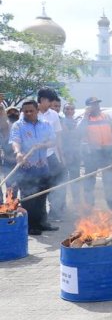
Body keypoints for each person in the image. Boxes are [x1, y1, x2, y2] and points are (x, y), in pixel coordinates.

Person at [10, 100, 57, 234]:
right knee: (29, 198)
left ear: (37, 111)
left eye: (31, 111)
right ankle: (31, 225)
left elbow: (53, 140)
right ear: (22, 112)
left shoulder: (46, 124)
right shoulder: (18, 126)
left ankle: (42, 222)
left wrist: (42, 145)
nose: (29, 113)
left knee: (42, 196)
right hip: (26, 168)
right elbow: (15, 141)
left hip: (43, 166)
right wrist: (18, 153)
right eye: (26, 111)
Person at [78, 96, 112, 210]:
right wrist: (86, 116)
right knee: (90, 180)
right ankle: (89, 205)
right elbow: (79, 132)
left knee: (109, 180)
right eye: (93, 104)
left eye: (97, 104)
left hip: (108, 152)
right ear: (88, 107)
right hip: (92, 154)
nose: (97, 106)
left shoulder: (106, 117)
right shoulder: (85, 119)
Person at [37, 88, 65, 221]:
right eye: (50, 101)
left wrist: (61, 156)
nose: (51, 104)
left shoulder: (53, 115)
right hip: (35, 158)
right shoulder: (30, 112)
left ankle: (54, 213)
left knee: (56, 184)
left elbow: (58, 136)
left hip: (51, 155)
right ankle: (40, 216)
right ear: (42, 100)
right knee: (40, 187)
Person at [61, 103, 82, 206]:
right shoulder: (60, 122)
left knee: (75, 180)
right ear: (64, 110)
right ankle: (63, 204)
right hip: (64, 155)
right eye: (67, 109)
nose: (69, 111)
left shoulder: (78, 122)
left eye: (71, 109)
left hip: (75, 155)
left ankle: (76, 203)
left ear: (74, 111)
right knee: (62, 181)